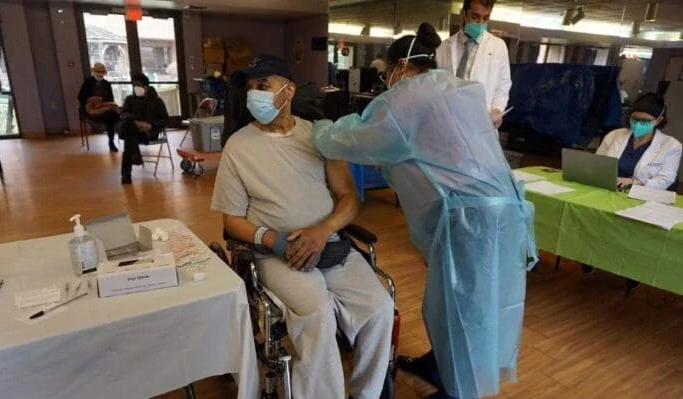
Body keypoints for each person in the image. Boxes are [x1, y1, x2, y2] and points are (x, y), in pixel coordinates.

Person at [313, 23, 537, 399]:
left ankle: (459, 390)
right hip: (502, 208)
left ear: (400, 66)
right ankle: (442, 362)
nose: (386, 78)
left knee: (466, 306)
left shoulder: (405, 98)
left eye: (386, 70)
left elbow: (353, 139)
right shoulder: (459, 88)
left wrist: (320, 128)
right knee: (453, 300)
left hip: (471, 218)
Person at [211, 55, 394, 399]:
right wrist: (275, 241)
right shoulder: (238, 146)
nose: (254, 95)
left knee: (379, 309)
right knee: (317, 312)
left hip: (330, 243)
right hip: (277, 253)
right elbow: (231, 220)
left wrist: (322, 231)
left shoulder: (320, 136)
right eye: (250, 89)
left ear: (288, 90)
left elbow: (348, 198)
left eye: (263, 86)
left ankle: (367, 393)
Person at [436, 0, 511, 129]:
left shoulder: (498, 47)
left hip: (482, 122)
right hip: (449, 121)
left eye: (485, 18)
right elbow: (436, 84)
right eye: (475, 16)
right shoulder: (444, 47)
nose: (480, 23)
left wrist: (497, 110)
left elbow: (503, 85)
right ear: (464, 14)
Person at [597, 93, 681, 191]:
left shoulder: (671, 146)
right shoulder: (615, 135)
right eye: (634, 119)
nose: (638, 124)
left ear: (658, 121)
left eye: (644, 121)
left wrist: (635, 182)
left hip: (644, 195)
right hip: (607, 189)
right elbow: (596, 165)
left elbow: (665, 180)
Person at [119, 73, 168, 184]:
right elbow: (123, 114)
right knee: (129, 129)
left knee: (129, 141)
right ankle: (135, 155)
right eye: (134, 85)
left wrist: (150, 125)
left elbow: (165, 119)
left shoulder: (157, 101)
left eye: (138, 85)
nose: (136, 87)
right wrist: (137, 122)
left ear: (146, 86)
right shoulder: (130, 99)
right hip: (134, 130)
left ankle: (128, 171)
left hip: (149, 132)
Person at [77, 62, 120, 152]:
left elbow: (110, 98)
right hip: (93, 110)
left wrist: (101, 100)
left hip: (104, 107)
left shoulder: (107, 84)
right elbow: (81, 97)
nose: (100, 76)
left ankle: (111, 140)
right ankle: (111, 140)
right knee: (109, 117)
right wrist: (92, 100)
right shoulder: (87, 83)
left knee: (112, 114)